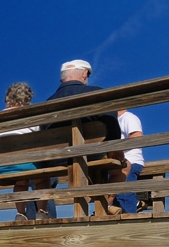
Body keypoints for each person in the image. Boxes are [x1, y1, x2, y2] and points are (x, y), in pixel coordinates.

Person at [43, 59, 122, 217]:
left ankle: (98, 205)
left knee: (85, 159)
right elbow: (111, 126)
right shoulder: (95, 93)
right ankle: (104, 206)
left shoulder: (46, 104)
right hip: (90, 156)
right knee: (122, 165)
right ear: (85, 74)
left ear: (62, 79)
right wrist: (115, 151)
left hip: (57, 158)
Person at [0, 82, 43, 221]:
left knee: (21, 181)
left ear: (8, 99)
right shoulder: (32, 115)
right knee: (43, 177)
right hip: (23, 164)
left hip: (0, 166)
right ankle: (42, 212)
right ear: (28, 98)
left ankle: (20, 213)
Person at [106, 110, 145, 214]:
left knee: (125, 196)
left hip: (130, 161)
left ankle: (130, 221)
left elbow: (137, 137)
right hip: (116, 164)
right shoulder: (112, 120)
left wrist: (118, 149)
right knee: (117, 198)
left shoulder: (128, 118)